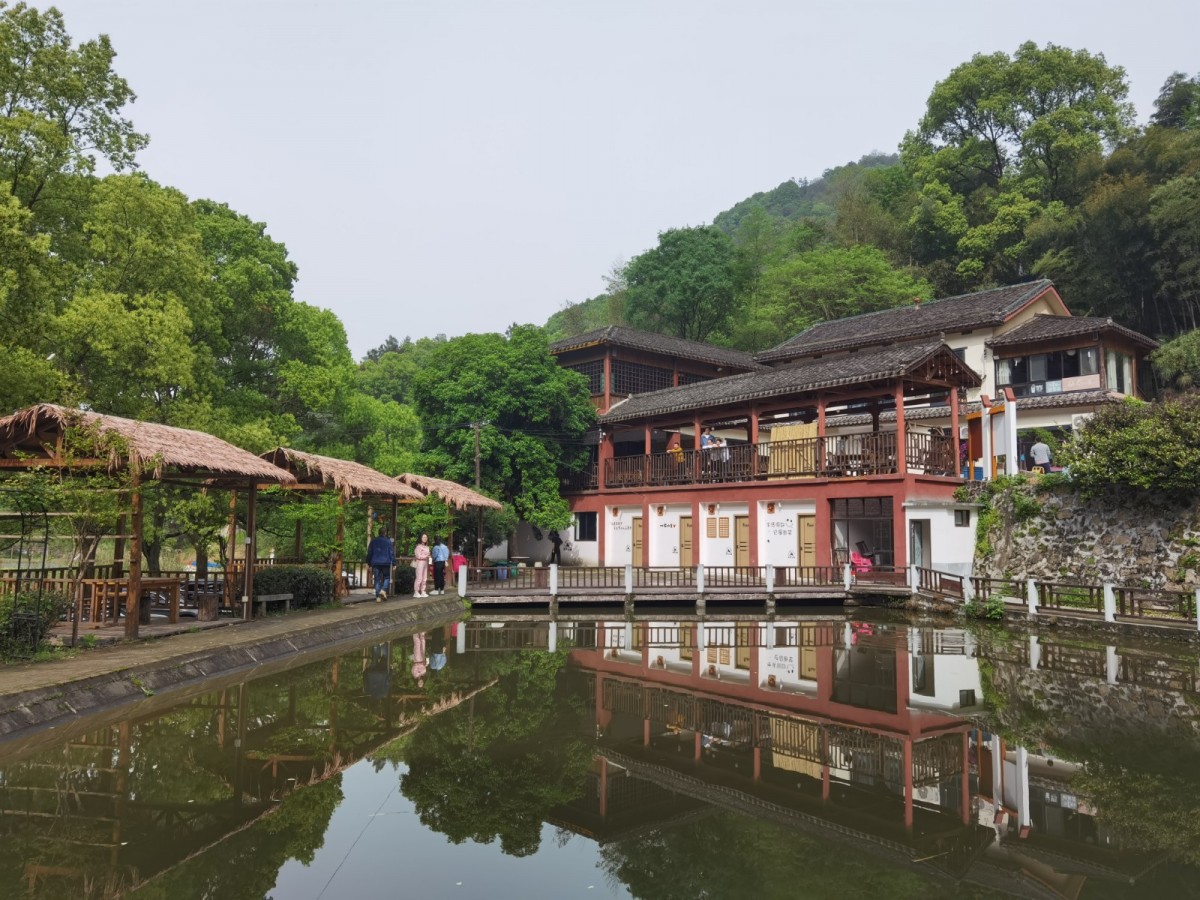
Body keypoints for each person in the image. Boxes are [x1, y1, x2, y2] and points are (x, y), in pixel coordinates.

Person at [366, 528, 395, 602]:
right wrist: (394, 563)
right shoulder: (388, 542)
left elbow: (369, 552)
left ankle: (378, 597)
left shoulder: (373, 541)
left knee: (377, 579)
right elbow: (391, 553)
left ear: (379, 533)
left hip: (375, 563)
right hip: (386, 562)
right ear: (385, 533)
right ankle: (383, 590)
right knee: (387, 577)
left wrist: (368, 562)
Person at [412, 532, 431, 598]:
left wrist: (428, 557)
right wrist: (426, 557)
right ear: (420, 538)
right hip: (419, 562)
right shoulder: (418, 546)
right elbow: (418, 556)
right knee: (419, 577)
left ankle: (423, 591)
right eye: (423, 537)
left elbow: (427, 554)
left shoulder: (427, 547)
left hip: (425, 562)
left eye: (426, 537)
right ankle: (416, 591)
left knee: (424, 578)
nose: (425, 538)